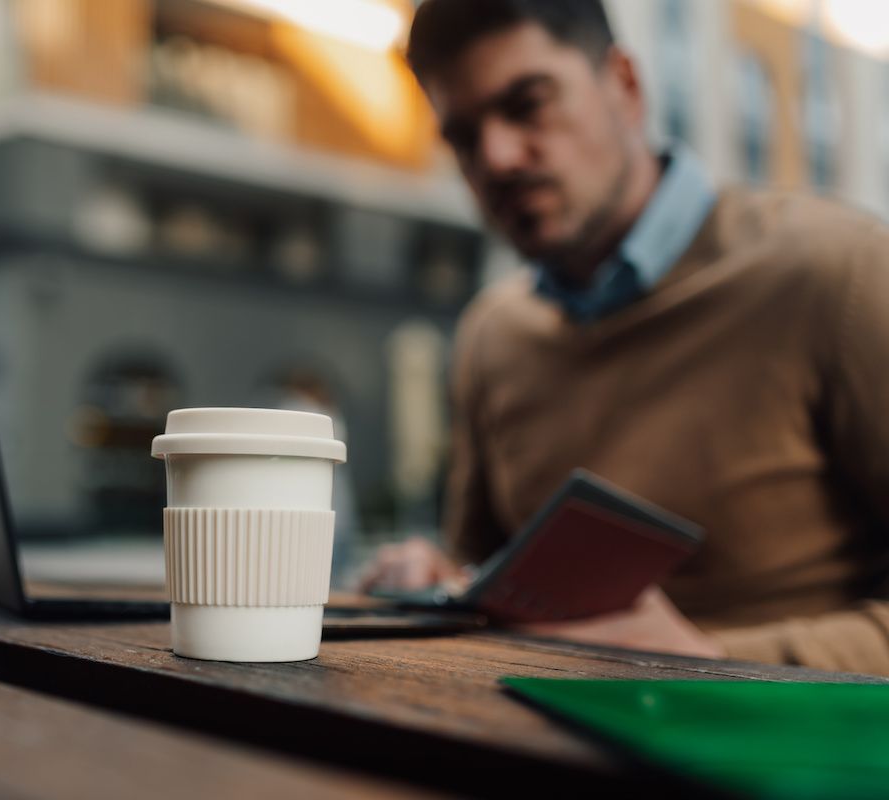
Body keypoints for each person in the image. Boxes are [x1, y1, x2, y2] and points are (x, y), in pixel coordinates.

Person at [359, 0, 889, 675]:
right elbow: (484, 585)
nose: (496, 157)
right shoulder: (492, 336)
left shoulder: (838, 274)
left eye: (528, 105)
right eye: (463, 138)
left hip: (787, 756)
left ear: (627, 86)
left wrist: (714, 657)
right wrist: (440, 582)